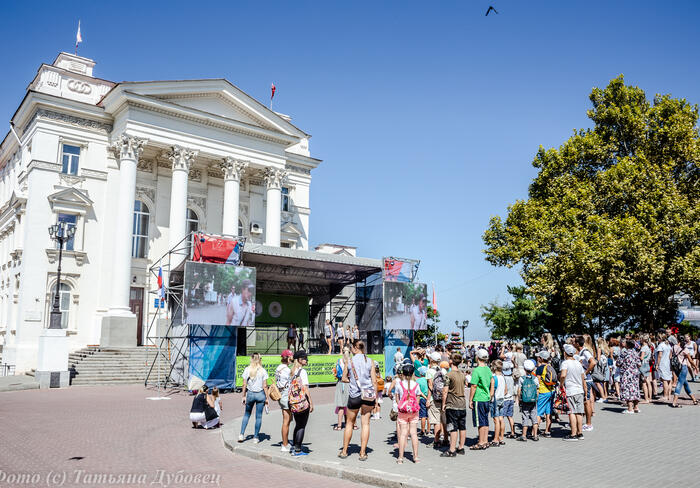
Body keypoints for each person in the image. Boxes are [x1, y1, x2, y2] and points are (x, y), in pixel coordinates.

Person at [339, 340, 377, 461]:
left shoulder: (350, 361)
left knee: (349, 423)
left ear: (355, 348)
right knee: (365, 424)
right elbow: (374, 381)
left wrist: (352, 382)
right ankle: (362, 453)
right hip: (368, 395)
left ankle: (344, 451)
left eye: (352, 348)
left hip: (354, 395)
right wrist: (375, 398)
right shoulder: (370, 361)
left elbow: (344, 378)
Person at [395, 363, 423, 463]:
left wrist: (402, 407)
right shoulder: (416, 385)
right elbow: (418, 399)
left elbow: (397, 399)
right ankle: (416, 457)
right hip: (413, 412)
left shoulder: (399, 384)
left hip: (403, 412)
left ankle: (400, 458)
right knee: (414, 433)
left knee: (403, 434)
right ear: (412, 374)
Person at [441, 353, 467, 457]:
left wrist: (444, 403)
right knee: (462, 427)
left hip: (452, 403)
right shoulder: (462, 374)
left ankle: (451, 450)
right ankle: (461, 447)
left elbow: (445, 391)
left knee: (452, 427)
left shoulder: (449, 375)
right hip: (462, 403)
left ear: (451, 361)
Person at [239, 353, 269, 443]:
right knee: (258, 417)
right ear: (259, 360)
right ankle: (255, 437)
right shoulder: (263, 370)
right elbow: (265, 386)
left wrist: (243, 396)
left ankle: (241, 434)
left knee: (247, 414)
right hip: (260, 394)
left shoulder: (247, 369)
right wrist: (267, 398)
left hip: (250, 394)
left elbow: (244, 384)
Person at [289, 350, 313, 456]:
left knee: (297, 424)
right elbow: (305, 388)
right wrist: (311, 402)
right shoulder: (302, 372)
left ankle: (294, 446)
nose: (306, 360)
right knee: (302, 426)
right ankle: (298, 450)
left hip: (293, 402)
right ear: (299, 360)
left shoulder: (292, 371)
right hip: (302, 402)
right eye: (305, 359)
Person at [469, 348, 493, 450]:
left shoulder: (476, 370)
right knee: (485, 420)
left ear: (477, 357)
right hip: (487, 397)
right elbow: (492, 381)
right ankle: (486, 440)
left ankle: (481, 442)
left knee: (480, 421)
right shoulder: (488, 369)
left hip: (479, 398)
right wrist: (491, 393)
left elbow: (473, 386)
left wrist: (470, 399)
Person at [560, 344, 586, 441]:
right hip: (579, 390)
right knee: (579, 412)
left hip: (570, 390)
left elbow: (563, 375)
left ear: (565, 353)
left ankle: (573, 434)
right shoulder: (578, 363)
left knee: (571, 412)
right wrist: (585, 389)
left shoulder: (565, 363)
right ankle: (580, 433)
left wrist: (561, 384)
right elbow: (583, 377)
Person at [575, 335, 597, 432]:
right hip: (582, 380)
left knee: (586, 401)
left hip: (586, 380)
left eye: (573, 342)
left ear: (577, 343)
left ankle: (589, 424)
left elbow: (593, 362)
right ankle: (582, 422)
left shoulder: (585, 352)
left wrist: (585, 373)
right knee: (584, 401)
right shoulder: (580, 352)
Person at [426, 352, 448, 448]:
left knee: (436, 421)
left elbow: (430, 386)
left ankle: (436, 440)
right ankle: (446, 439)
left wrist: (428, 399)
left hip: (434, 398)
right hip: (444, 398)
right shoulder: (443, 371)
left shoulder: (429, 371)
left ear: (431, 360)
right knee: (444, 420)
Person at [671, 336, 699, 408]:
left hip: (676, 367)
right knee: (680, 383)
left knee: (685, 384)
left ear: (678, 340)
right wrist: (696, 367)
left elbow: (670, 357)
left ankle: (694, 400)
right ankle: (674, 402)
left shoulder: (674, 347)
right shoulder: (685, 349)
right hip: (683, 367)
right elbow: (690, 360)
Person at [535, 350, 556, 437]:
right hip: (551, 391)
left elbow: (538, 382)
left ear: (541, 358)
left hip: (543, 392)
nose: (537, 358)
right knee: (548, 412)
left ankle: (535, 431)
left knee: (539, 412)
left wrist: (536, 392)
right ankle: (547, 431)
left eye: (538, 357)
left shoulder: (540, 368)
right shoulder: (550, 366)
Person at [276, 349, 294, 452]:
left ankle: (286, 441)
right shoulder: (287, 370)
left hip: (281, 395)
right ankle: (285, 444)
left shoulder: (279, 368)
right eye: (290, 356)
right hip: (285, 396)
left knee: (287, 420)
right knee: (286, 421)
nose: (292, 358)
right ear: (287, 358)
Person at [517, 359, 539, 442]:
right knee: (534, 417)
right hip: (533, 401)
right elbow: (537, 390)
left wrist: (519, 399)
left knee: (525, 417)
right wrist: (536, 398)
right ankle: (535, 435)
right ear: (533, 369)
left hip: (525, 401)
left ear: (524, 369)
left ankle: (524, 435)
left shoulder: (522, 379)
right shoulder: (535, 379)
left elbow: (519, 390)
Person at [618, 339, 642, 413]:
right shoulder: (635, 353)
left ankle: (630, 408)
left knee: (628, 389)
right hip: (634, 373)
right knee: (635, 389)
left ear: (627, 345)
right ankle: (636, 407)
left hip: (627, 373)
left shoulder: (624, 353)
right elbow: (639, 364)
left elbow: (618, 363)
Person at [333, 347, 351, 430]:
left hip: (340, 383)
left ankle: (339, 425)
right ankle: (350, 424)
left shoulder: (339, 361)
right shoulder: (351, 361)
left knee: (341, 406)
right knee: (348, 405)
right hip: (349, 383)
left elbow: (335, 373)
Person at [490, 360, 507, 446]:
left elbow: (492, 392)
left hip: (495, 400)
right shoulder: (503, 377)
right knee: (501, 419)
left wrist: (489, 398)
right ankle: (501, 438)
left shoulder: (493, 378)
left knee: (496, 420)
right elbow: (505, 391)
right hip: (502, 399)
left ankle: (495, 439)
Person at [655, 334, 673, 402]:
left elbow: (660, 355)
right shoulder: (668, 345)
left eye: (658, 338)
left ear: (660, 339)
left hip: (662, 364)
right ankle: (669, 396)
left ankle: (665, 396)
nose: (657, 340)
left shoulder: (661, 345)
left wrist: (657, 364)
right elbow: (671, 355)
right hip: (668, 363)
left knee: (664, 380)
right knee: (669, 380)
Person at [502, 358, 516, 438]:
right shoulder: (511, 378)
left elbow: (505, 390)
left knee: (502, 417)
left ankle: (501, 433)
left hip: (505, 399)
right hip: (511, 398)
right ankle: (513, 432)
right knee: (510, 416)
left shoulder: (504, 378)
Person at [416, 366, 430, 436]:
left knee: (423, 415)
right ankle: (428, 430)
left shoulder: (418, 381)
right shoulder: (429, 379)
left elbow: (417, 391)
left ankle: (422, 430)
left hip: (422, 398)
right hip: (429, 398)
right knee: (429, 415)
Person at [639, 335, 653, 403]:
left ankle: (646, 399)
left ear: (643, 340)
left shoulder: (643, 348)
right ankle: (650, 398)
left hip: (643, 365)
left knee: (644, 383)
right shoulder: (648, 347)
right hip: (647, 364)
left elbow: (641, 357)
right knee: (648, 382)